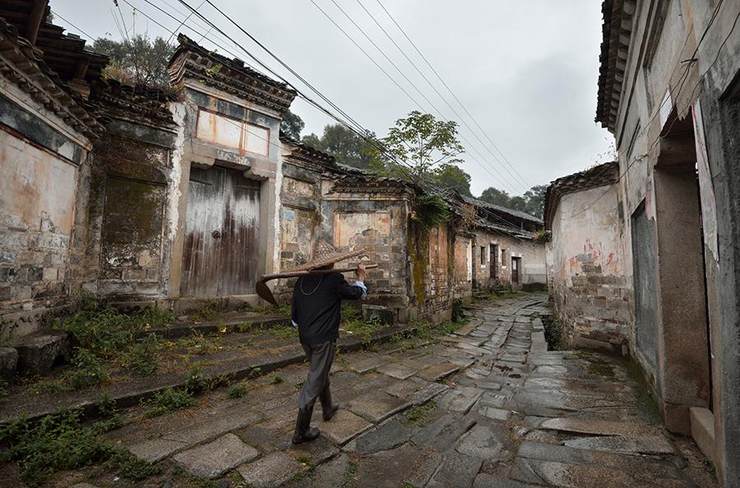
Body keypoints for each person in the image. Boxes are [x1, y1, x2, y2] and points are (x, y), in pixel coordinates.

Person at [290, 261, 367, 444]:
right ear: (331, 263)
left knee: (319, 372)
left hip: (305, 337)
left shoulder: (301, 280)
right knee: (315, 379)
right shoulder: (334, 279)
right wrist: (361, 277)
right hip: (323, 338)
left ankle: (328, 408)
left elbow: (294, 315)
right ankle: (301, 430)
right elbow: (356, 293)